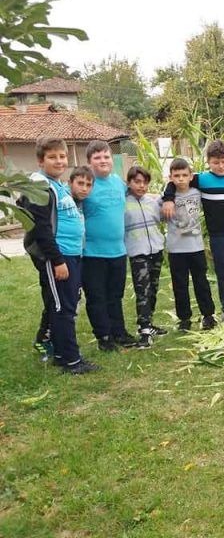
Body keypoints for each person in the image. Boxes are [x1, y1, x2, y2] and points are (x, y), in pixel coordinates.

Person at [20, 138, 99, 374]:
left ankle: (60, 351)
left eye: (62, 156)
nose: (59, 161)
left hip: (72, 255)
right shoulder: (39, 186)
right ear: (40, 161)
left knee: (68, 304)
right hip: (59, 257)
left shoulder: (57, 185)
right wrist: (57, 260)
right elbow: (41, 229)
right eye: (52, 157)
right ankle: (71, 361)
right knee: (62, 308)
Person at [162, 139, 224, 320]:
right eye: (215, 163)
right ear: (208, 162)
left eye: (223, 162)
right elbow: (175, 181)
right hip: (219, 237)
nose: (220, 166)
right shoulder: (202, 179)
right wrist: (168, 198)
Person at [81, 140, 136, 350]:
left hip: (118, 251)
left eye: (106, 156)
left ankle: (119, 332)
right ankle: (103, 337)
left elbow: (139, 194)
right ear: (89, 162)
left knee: (115, 295)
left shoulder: (118, 183)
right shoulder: (86, 184)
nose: (103, 161)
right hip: (92, 253)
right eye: (97, 158)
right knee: (97, 297)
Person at [164, 158, 216, 332]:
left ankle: (208, 315)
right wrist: (167, 197)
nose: (180, 179)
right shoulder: (166, 199)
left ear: (190, 176)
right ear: (170, 177)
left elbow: (208, 178)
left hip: (196, 247)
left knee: (201, 282)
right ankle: (184, 319)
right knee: (180, 285)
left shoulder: (197, 193)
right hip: (176, 248)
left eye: (184, 175)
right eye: (176, 176)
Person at [125, 166, 166, 348]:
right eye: (137, 182)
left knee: (153, 289)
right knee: (143, 290)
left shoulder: (153, 201)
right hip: (137, 253)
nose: (141, 186)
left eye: (144, 182)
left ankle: (149, 323)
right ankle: (143, 330)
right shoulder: (123, 203)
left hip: (156, 251)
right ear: (129, 183)